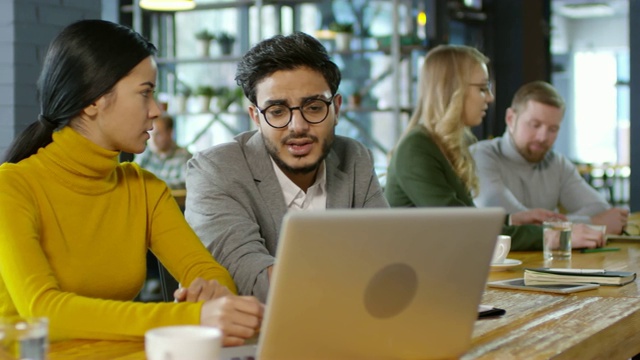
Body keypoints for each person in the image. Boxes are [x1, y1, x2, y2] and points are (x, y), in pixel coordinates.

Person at [0, 20, 262, 346]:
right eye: (145, 93)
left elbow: (204, 268)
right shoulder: (12, 187)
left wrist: (211, 290)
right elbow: (44, 311)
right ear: (92, 99)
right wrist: (192, 316)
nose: (155, 110)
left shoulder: (145, 188)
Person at [185, 32, 389, 303]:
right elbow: (250, 282)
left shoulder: (355, 157)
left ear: (336, 109)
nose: (298, 126)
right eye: (277, 111)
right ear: (256, 117)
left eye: (314, 107)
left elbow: (387, 258)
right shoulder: (216, 169)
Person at [384, 45, 605, 250]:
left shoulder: (455, 144)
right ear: (453, 90)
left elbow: (468, 219)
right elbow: (465, 228)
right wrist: (553, 236)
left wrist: (511, 220)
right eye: (482, 88)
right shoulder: (417, 148)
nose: (490, 97)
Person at [470, 81, 628, 235]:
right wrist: (593, 223)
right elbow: (511, 219)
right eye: (535, 125)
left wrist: (557, 224)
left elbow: (600, 208)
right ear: (511, 119)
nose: (542, 137)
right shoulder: (480, 155)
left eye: (553, 129)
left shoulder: (556, 162)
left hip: (547, 260)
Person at [135, 113, 192, 189]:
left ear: (170, 133)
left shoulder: (185, 157)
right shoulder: (145, 154)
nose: (153, 140)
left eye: (157, 134)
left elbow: (186, 185)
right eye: (150, 134)